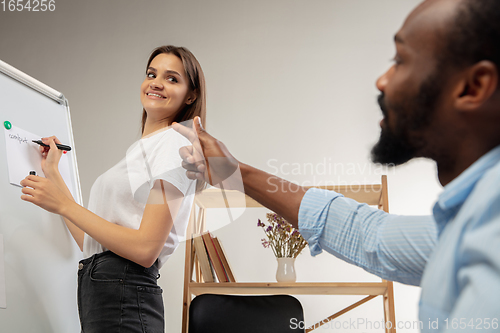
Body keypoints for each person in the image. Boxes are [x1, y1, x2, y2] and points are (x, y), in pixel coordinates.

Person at [173, 0, 500, 331]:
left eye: (400, 60)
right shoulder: (469, 222)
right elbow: (369, 235)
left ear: (473, 87)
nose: (382, 81)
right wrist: (234, 172)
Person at [20, 45, 206, 332]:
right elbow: (91, 243)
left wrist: (64, 205)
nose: (156, 82)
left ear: (190, 95)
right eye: (151, 74)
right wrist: (54, 176)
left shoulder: (174, 146)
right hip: (106, 292)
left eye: (172, 78)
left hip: (124, 293)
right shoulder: (143, 151)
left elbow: (145, 249)